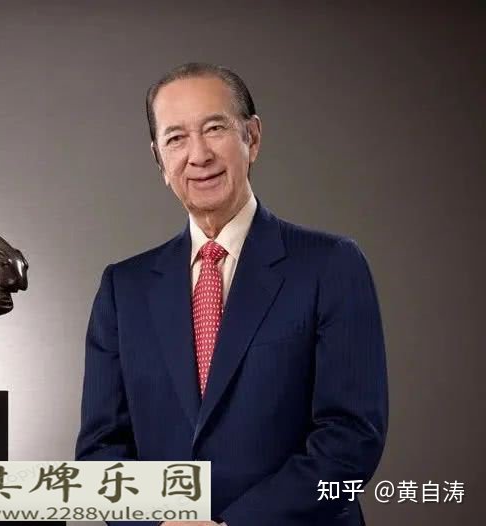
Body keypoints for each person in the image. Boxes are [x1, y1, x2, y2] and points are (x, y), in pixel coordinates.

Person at [75, 63, 388, 526]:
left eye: (215, 129)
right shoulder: (124, 289)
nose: (198, 155)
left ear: (252, 138)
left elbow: (352, 439)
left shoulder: (330, 265)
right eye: (176, 138)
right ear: (160, 161)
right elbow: (101, 451)